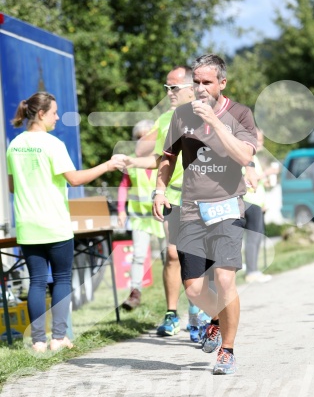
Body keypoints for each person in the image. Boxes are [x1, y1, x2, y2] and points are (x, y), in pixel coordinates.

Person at [153, 54, 257, 375]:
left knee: (225, 279)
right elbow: (168, 157)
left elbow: (243, 155)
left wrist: (214, 121)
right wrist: (159, 189)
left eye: (206, 82)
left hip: (227, 206)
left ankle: (227, 350)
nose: (199, 88)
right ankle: (216, 318)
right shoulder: (181, 115)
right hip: (190, 210)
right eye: (195, 82)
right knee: (195, 289)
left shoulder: (240, 114)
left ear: (222, 83)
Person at [6, 92, 125, 353]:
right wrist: (107, 165)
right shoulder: (53, 145)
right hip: (55, 224)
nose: (57, 117)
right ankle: (59, 338)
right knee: (61, 279)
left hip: (28, 226)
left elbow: (13, 187)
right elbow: (75, 179)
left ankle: (38, 341)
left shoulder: (14, 145)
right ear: (41, 114)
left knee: (37, 281)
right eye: (54, 113)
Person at [126, 66, 210, 340]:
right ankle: (172, 313)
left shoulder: (209, 114)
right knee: (172, 254)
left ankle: (198, 314)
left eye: (173, 88)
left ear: (190, 88)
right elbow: (161, 159)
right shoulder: (165, 118)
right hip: (173, 195)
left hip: (203, 196)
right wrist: (132, 162)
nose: (169, 93)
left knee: (198, 257)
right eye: (166, 88)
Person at [118, 119, 166, 310]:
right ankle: (135, 293)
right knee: (138, 255)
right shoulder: (131, 161)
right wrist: (121, 210)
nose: (142, 140)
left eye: (146, 136)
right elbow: (123, 186)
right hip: (139, 217)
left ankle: (174, 294)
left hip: (161, 214)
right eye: (138, 138)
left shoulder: (163, 157)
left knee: (168, 257)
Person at [243, 128, 272, 283]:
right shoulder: (246, 158)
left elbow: (257, 180)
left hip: (257, 202)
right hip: (249, 201)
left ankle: (254, 270)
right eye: (258, 140)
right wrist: (267, 173)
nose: (261, 144)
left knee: (257, 237)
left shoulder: (255, 158)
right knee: (253, 238)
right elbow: (246, 180)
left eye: (262, 140)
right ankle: (251, 272)